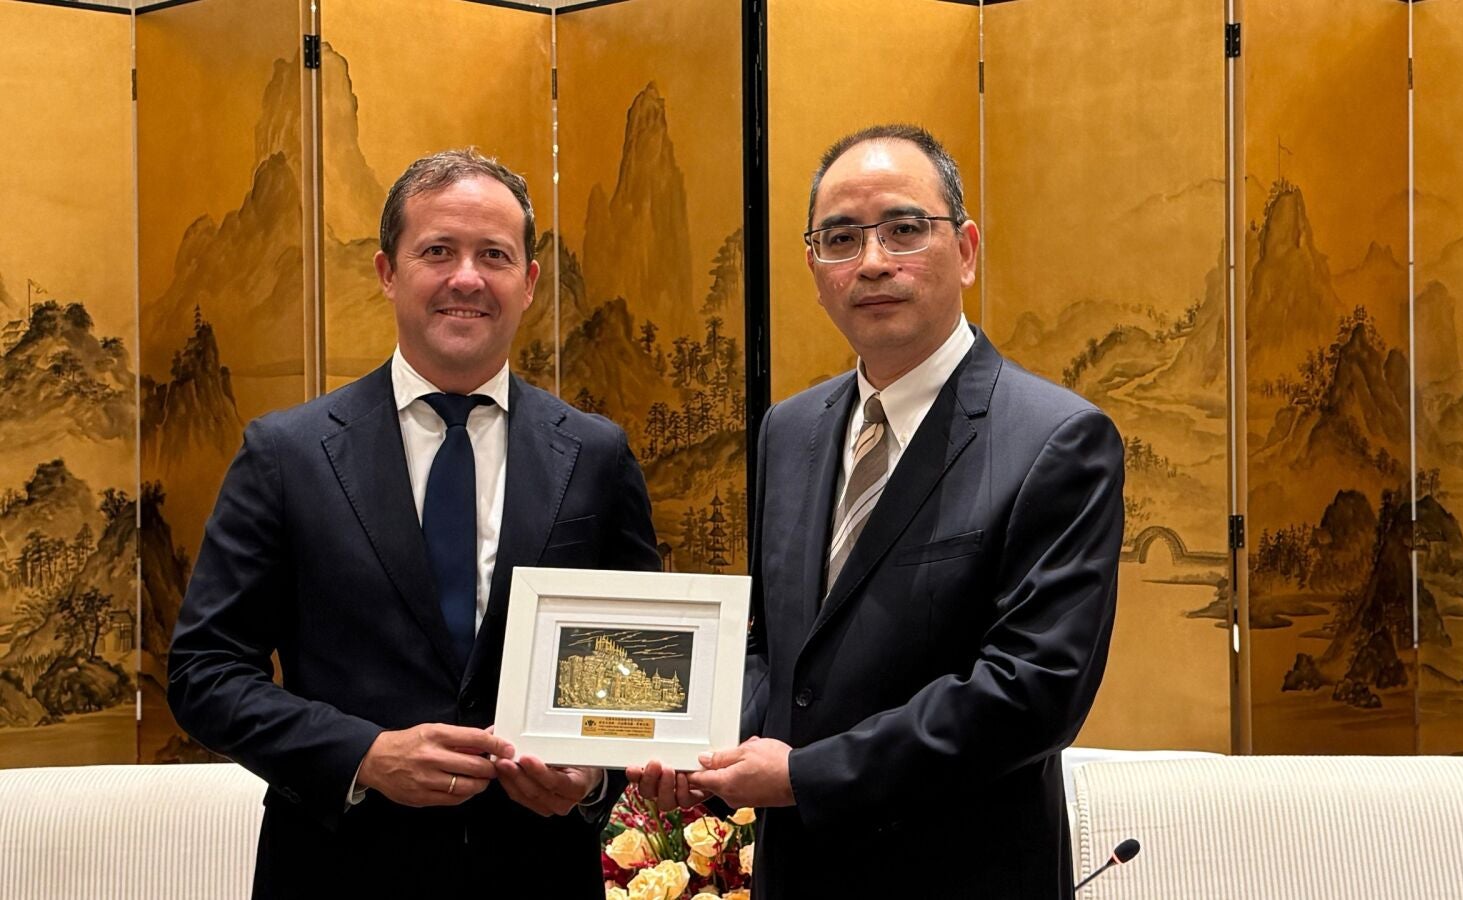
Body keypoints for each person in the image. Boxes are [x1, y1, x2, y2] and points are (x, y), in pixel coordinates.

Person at [636, 124, 1123, 898]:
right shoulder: (790, 431)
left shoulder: (1055, 440)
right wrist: (706, 746)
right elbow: (775, 650)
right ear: (814, 268)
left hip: (961, 876)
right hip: (797, 876)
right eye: (840, 238)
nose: (871, 262)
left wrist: (804, 775)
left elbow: (1031, 692)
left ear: (966, 250)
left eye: (903, 229)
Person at [168, 148, 659, 898]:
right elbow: (204, 671)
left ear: (529, 282)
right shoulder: (286, 455)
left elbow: (640, 674)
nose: (467, 277)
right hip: (338, 870)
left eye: (494, 255)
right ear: (387, 272)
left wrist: (593, 777)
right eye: (437, 251)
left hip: (536, 871)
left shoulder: (596, 455)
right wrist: (362, 755)